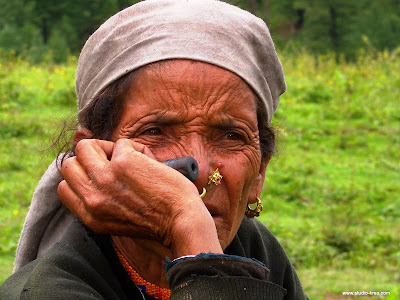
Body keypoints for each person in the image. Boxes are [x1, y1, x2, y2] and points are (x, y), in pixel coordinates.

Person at [0, 0, 309, 299]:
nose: (198, 171)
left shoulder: (254, 249)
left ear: (259, 173)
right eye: (155, 132)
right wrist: (188, 225)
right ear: (92, 160)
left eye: (230, 136)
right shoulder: (48, 292)